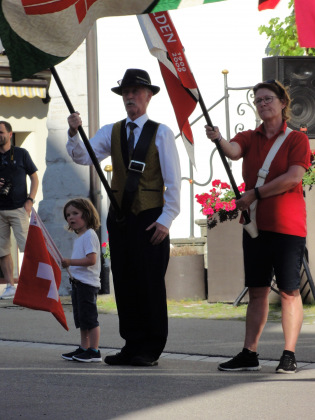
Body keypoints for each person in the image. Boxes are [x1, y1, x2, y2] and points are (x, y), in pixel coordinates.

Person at [66, 68, 181, 366]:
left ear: (149, 96)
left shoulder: (162, 132)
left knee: (149, 283)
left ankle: (151, 348)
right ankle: (131, 344)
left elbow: (174, 181)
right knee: (126, 281)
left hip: (151, 217)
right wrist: (73, 132)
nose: (130, 96)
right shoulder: (112, 131)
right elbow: (83, 156)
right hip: (120, 219)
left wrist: (167, 219)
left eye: (136, 91)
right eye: (126, 92)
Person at [206, 79, 311, 374]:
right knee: (257, 290)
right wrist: (218, 138)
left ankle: (289, 354)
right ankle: (249, 353)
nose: (262, 104)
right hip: (255, 226)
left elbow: (293, 178)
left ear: (282, 103)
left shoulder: (296, 139)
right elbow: (233, 150)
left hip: (287, 227)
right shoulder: (250, 137)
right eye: (257, 100)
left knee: (290, 291)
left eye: (267, 99)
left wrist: (255, 193)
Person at [0, 121, 38, 300]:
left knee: (27, 247)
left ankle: (32, 284)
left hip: (19, 208)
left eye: (1, 132)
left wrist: (30, 200)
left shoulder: (21, 153)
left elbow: (34, 178)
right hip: (0, 210)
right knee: (2, 249)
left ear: (10, 133)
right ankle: (9, 286)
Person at [61, 198, 102, 363]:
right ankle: (84, 348)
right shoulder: (80, 237)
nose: (71, 217)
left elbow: (91, 260)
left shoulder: (90, 235)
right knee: (82, 319)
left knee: (90, 319)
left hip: (87, 285)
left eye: (75, 213)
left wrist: (70, 262)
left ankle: (94, 350)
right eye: (68, 215)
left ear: (87, 214)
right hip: (78, 284)